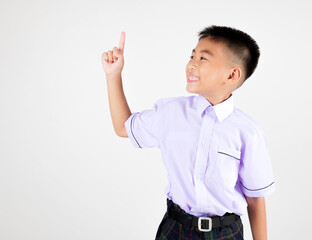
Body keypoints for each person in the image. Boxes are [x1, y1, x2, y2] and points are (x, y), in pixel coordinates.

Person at [102, 25, 276, 240]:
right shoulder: (170, 112)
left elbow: (255, 198)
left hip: (225, 233)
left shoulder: (248, 132)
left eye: (203, 58)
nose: (191, 64)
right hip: (175, 229)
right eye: (192, 55)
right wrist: (113, 75)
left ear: (232, 74)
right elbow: (123, 127)